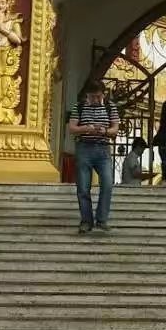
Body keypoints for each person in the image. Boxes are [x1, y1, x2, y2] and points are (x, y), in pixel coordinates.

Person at [65, 81, 120, 233]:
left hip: (103, 150)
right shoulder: (80, 106)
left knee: (107, 183)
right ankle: (86, 221)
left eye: (98, 96)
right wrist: (85, 128)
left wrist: (105, 131)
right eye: (92, 97)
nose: (95, 100)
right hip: (84, 148)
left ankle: (101, 219)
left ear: (104, 94)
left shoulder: (110, 106)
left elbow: (115, 128)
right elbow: (72, 128)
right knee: (83, 187)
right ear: (87, 95)